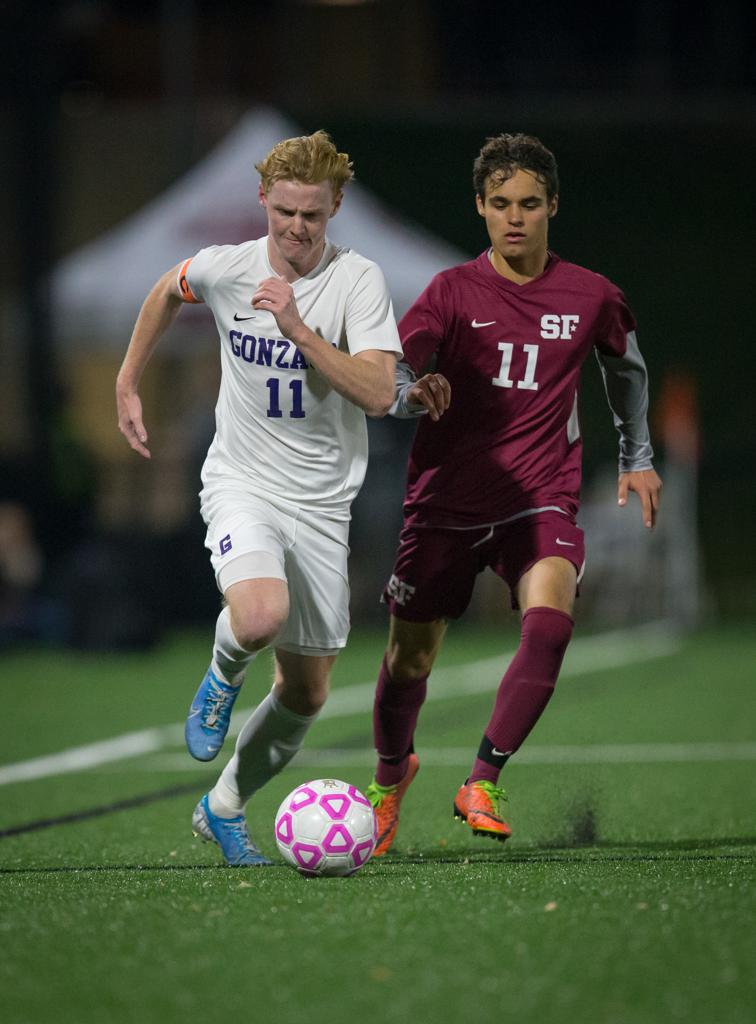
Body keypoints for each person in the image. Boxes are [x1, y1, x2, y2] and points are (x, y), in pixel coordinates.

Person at [365, 132, 662, 855]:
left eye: (530, 203)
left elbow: (625, 368)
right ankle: (388, 779)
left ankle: (482, 779)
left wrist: (638, 454)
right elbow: (393, 369)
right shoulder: (451, 291)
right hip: (445, 500)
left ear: (552, 205)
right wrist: (411, 392)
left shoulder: (590, 294)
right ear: (481, 208)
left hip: (540, 495)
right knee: (410, 660)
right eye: (500, 204)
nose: (515, 217)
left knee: (551, 620)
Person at [116, 131, 402, 865]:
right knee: (259, 613)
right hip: (242, 482)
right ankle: (220, 678)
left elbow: (377, 391)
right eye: (284, 212)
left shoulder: (357, 280)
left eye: (312, 215)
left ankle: (224, 806)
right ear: (263, 202)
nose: (296, 229)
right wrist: (127, 381)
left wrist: (298, 328)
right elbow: (165, 288)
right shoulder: (226, 268)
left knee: (307, 694)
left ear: (335, 205)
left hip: (320, 507)